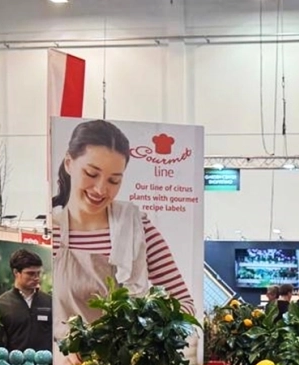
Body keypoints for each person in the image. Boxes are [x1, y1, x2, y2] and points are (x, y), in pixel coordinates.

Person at [50, 119, 192, 338]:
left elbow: (184, 303)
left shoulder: (137, 228)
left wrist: (148, 328)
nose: (100, 189)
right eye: (91, 174)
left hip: (129, 358)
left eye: (114, 180)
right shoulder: (51, 233)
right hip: (67, 359)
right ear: (69, 163)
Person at [0, 248, 51, 352]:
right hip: (14, 361)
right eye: (30, 273)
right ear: (16, 272)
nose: (36, 278)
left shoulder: (50, 302)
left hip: (46, 361)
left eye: (38, 273)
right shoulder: (1, 304)